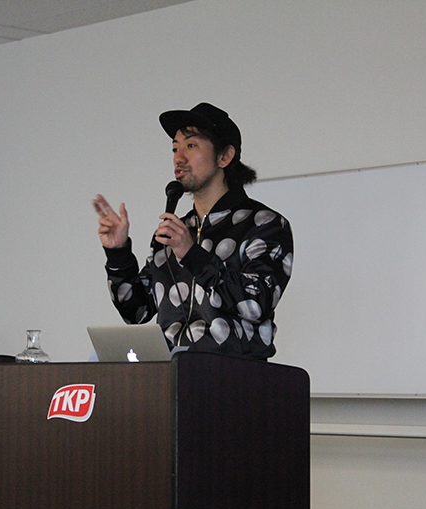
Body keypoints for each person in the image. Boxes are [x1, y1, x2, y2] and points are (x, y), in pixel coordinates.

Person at [92, 102, 293, 360]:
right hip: (173, 373)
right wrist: (118, 253)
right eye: (175, 148)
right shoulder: (175, 232)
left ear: (224, 156)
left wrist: (192, 255)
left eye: (191, 146)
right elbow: (137, 312)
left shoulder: (264, 224)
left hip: (236, 376)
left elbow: (256, 304)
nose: (179, 158)